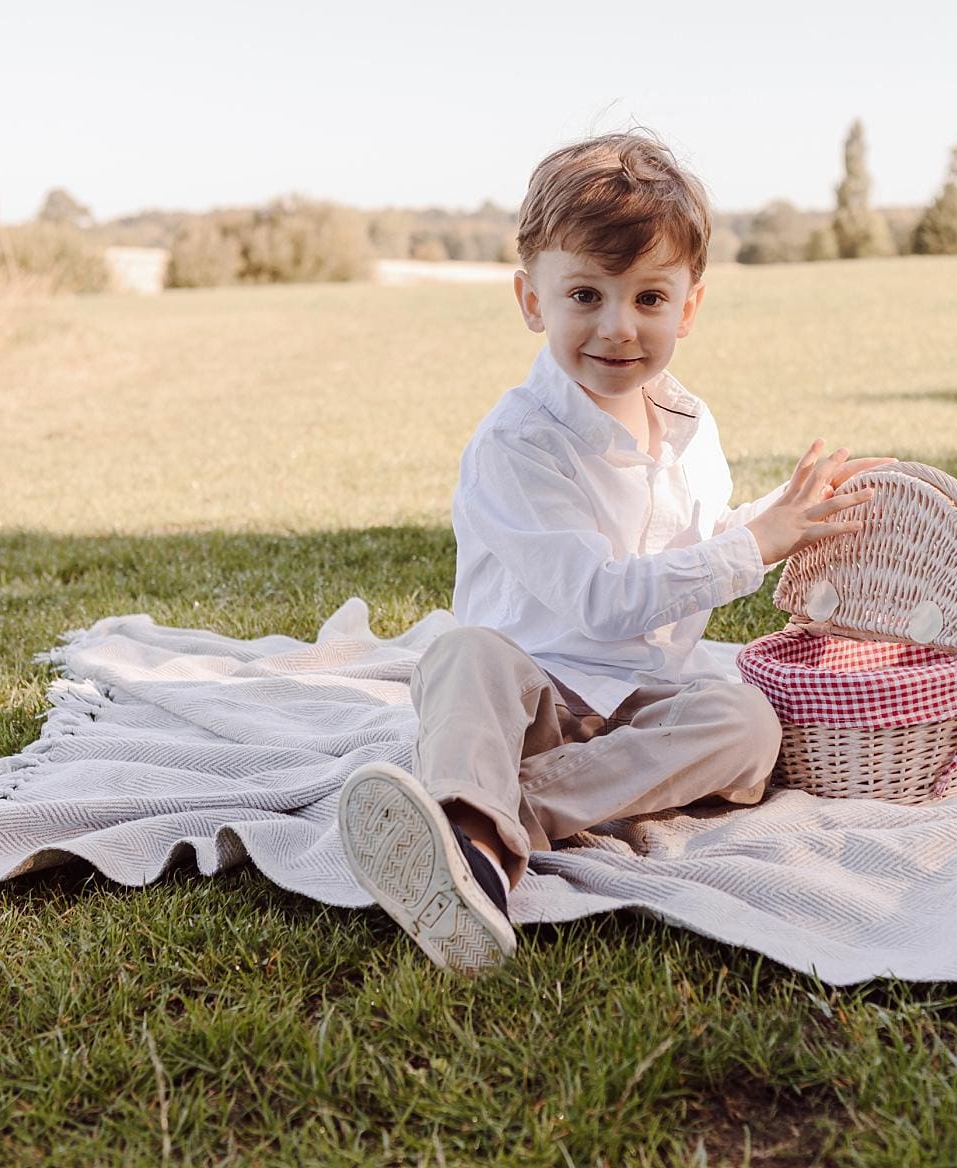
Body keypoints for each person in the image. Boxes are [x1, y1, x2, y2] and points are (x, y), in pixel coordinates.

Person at [338, 130, 886, 973]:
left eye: (650, 299)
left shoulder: (689, 425)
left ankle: (492, 820)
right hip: (523, 700)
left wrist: (783, 515)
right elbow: (602, 597)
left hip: (635, 702)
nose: (618, 327)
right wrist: (757, 547)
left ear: (689, 307)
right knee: (461, 654)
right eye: (586, 295)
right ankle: (474, 853)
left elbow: (693, 546)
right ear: (532, 301)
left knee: (746, 724)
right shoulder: (518, 444)